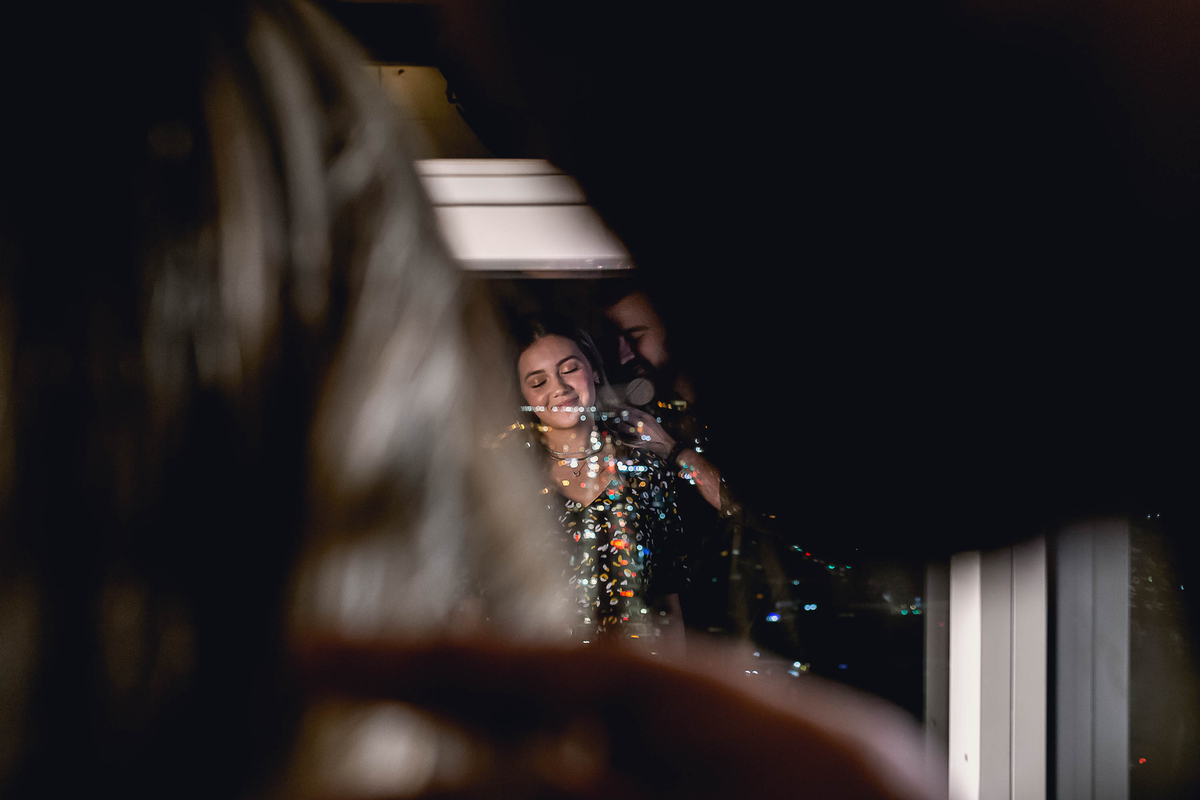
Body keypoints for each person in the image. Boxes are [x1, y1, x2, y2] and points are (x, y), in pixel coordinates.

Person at [512, 315, 689, 653]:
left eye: (569, 369)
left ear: (593, 369)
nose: (559, 388)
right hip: (546, 672)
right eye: (538, 382)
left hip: (637, 669)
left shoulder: (645, 470)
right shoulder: (513, 483)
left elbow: (668, 601)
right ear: (523, 394)